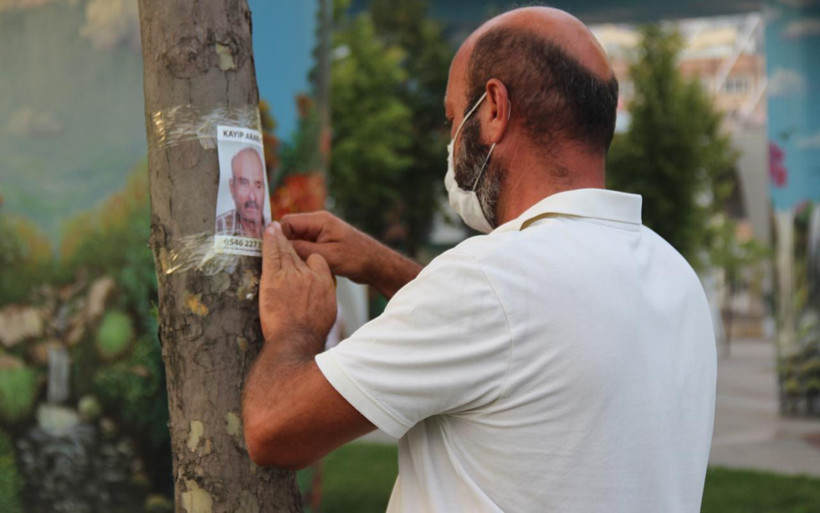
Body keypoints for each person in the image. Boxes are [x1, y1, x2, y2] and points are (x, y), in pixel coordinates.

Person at [243, 7, 717, 513]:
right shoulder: (675, 276)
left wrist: (298, 325)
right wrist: (381, 265)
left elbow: (273, 428)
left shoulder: (492, 280)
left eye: (452, 119)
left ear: (493, 109)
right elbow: (517, 340)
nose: (451, 144)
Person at [215, 147, 265, 238]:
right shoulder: (218, 228)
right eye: (244, 183)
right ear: (232, 187)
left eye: (258, 186)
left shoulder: (273, 230)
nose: (252, 197)